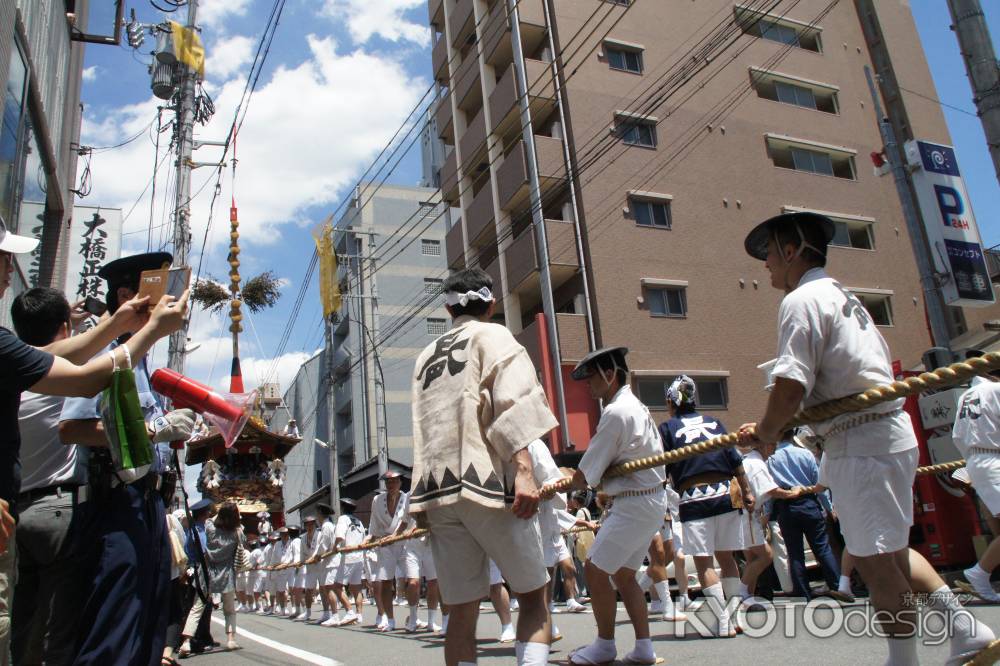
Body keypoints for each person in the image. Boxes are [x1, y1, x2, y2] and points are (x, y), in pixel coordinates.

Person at [737, 211, 995, 665]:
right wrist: (769, 428)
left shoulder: (801, 300)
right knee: (891, 552)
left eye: (770, 253)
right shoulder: (841, 294)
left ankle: (906, 659)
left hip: (860, 442)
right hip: (883, 432)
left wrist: (765, 433)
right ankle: (965, 629)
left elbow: (791, 384)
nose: (766, 264)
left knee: (876, 564)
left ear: (792, 252)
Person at [408, 268, 556, 666]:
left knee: (461, 612)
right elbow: (512, 403)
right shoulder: (493, 335)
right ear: (490, 305)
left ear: (448, 309)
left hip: (439, 493)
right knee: (533, 598)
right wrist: (524, 470)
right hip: (487, 483)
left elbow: (425, 427)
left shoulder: (424, 357)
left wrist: (419, 502)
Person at [56, 252, 195, 665]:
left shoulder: (142, 357)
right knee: (116, 627)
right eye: (160, 290)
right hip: (117, 501)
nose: (170, 301)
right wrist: (153, 430)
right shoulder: (109, 351)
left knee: (146, 624)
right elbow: (73, 428)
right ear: (125, 296)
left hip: (147, 502)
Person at [10, 286, 156, 665]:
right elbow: (90, 373)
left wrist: (72, 324)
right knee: (59, 628)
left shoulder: (13, 371)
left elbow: (60, 349)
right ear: (63, 327)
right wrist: (150, 327)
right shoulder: (56, 378)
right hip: (58, 509)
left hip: (13, 512)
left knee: (20, 620)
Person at [565, 347, 667, 665]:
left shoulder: (617, 412)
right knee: (624, 575)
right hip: (649, 500)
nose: (587, 384)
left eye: (592, 377)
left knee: (595, 569)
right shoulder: (635, 406)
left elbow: (585, 475)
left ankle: (605, 645)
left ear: (610, 374)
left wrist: (565, 479)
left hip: (635, 502)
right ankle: (644, 648)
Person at [660, 375, 752, 638]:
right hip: (725, 493)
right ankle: (735, 618)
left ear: (672, 402)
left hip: (694, 496)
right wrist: (746, 490)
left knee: (704, 562)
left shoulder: (667, 428)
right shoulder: (714, 422)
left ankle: (722, 621)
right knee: (727, 558)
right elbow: (735, 459)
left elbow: (661, 469)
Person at [764, 429, 844, 600]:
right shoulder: (805, 454)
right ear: (792, 435)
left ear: (777, 436)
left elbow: (770, 492)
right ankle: (836, 585)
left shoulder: (771, 459)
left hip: (786, 506)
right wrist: (829, 508)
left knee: (794, 552)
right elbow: (819, 484)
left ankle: (802, 592)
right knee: (822, 548)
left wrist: (767, 514)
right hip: (809, 503)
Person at [953, 356, 1000, 601]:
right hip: (993, 459)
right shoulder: (996, 390)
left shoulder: (966, 395)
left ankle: (981, 574)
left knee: (998, 529)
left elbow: (957, 437)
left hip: (976, 460)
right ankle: (979, 572)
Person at [180, 503, 243, 654]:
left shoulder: (209, 527)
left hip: (207, 571)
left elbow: (211, 518)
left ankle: (186, 642)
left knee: (197, 607)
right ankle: (230, 639)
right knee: (229, 609)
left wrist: (221, 513)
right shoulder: (237, 532)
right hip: (226, 573)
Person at [367, 470, 409, 632]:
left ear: (400, 483)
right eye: (388, 482)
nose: (391, 485)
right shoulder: (377, 500)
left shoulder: (407, 498)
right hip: (385, 544)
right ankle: (389, 619)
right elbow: (374, 525)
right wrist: (370, 539)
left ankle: (414, 616)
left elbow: (409, 521)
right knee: (385, 581)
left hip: (405, 542)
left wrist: (397, 535)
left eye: (394, 481)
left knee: (412, 580)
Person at [329, 498, 367, 626]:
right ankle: (359, 615)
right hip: (359, 557)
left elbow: (340, 536)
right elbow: (364, 539)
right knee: (356, 587)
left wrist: (335, 546)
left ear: (343, 508)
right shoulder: (359, 522)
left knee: (337, 586)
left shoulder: (343, 519)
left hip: (348, 556)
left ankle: (350, 612)